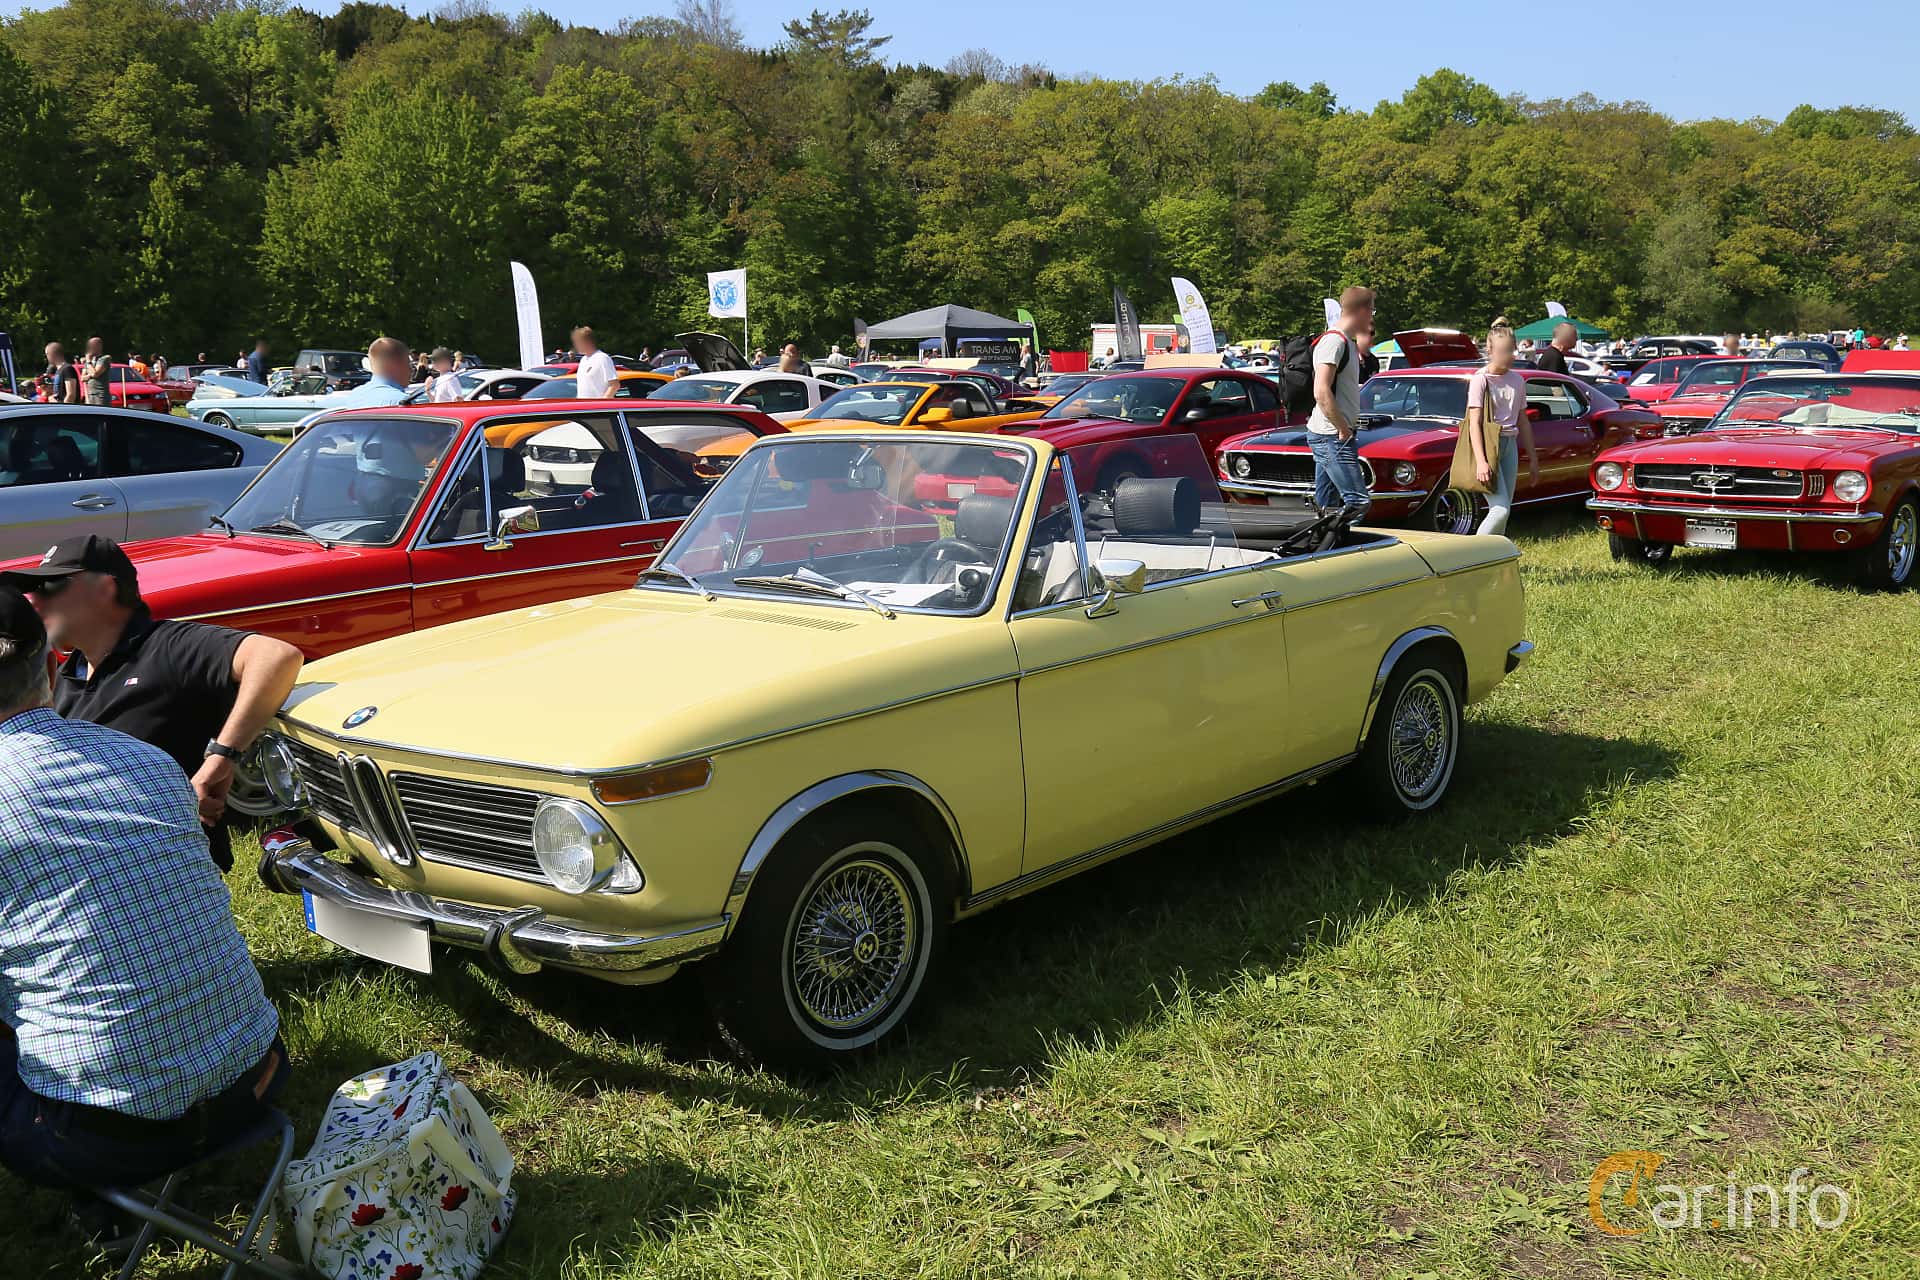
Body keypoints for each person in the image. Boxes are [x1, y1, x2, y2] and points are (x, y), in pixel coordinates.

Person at [0, 586, 288, 1215]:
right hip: (258, 1078)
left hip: (103, 1137)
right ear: (52, 668)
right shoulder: (150, 759)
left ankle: (99, 1207)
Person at [1, 536, 304, 873]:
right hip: (88, 856)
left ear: (105, 588)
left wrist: (222, 757)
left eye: (50, 585)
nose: (36, 601)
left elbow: (278, 657)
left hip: (167, 860)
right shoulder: (65, 675)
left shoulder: (168, 647)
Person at [1464, 320, 1540, 538]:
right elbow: (1474, 423)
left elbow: (1523, 421)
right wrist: (1481, 461)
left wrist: (1533, 460)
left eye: (1511, 350)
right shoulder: (1480, 380)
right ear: (1490, 350)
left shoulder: (1517, 380)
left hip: (1510, 447)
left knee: (1504, 512)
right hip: (1489, 448)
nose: (1510, 355)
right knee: (1499, 510)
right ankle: (1473, 557)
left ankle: (1496, 564)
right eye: (1504, 351)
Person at [1307, 286, 1374, 524]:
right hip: (1331, 435)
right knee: (1358, 502)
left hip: (1331, 434)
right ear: (1363, 310)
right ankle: (1343, 554)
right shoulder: (1335, 342)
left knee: (1326, 505)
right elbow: (1321, 391)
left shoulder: (1346, 342)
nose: (1372, 317)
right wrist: (1343, 428)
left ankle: (1321, 551)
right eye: (1372, 311)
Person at [325, 336, 412, 407]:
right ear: (395, 365)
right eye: (408, 364)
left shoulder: (354, 396)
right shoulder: (402, 402)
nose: (411, 370)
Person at [573, 326, 616, 399]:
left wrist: (602, 405)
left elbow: (614, 385)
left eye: (578, 342)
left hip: (597, 408)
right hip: (583, 408)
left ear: (588, 342)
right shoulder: (583, 360)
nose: (576, 345)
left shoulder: (602, 358)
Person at [80, 337, 113, 406]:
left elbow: (95, 374)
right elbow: (82, 378)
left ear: (99, 346)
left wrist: (88, 362)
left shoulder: (104, 359)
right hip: (90, 394)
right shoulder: (89, 362)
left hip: (101, 395)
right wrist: (90, 375)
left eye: (92, 345)